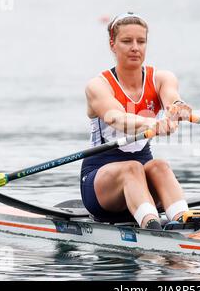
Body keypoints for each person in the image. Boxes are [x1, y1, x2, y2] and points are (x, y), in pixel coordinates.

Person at [81, 12, 192, 230]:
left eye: (141, 41)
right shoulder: (97, 85)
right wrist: (150, 124)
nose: (135, 47)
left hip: (143, 175)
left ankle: (183, 220)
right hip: (101, 185)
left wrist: (177, 108)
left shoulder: (162, 78)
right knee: (131, 168)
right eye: (126, 41)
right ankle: (151, 227)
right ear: (112, 44)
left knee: (159, 165)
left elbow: (172, 97)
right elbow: (116, 118)